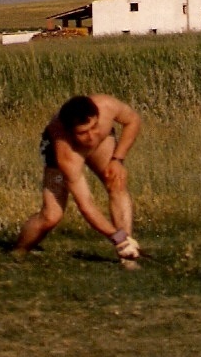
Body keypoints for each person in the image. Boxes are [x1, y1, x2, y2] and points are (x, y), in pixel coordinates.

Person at [14, 94, 142, 262]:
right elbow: (86, 205)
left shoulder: (107, 105)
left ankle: (127, 252)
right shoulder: (65, 155)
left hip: (104, 141)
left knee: (116, 181)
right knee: (51, 216)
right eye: (83, 133)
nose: (91, 137)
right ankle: (18, 252)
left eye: (94, 126)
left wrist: (118, 159)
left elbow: (133, 120)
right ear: (71, 131)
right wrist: (115, 237)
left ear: (97, 116)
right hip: (63, 148)